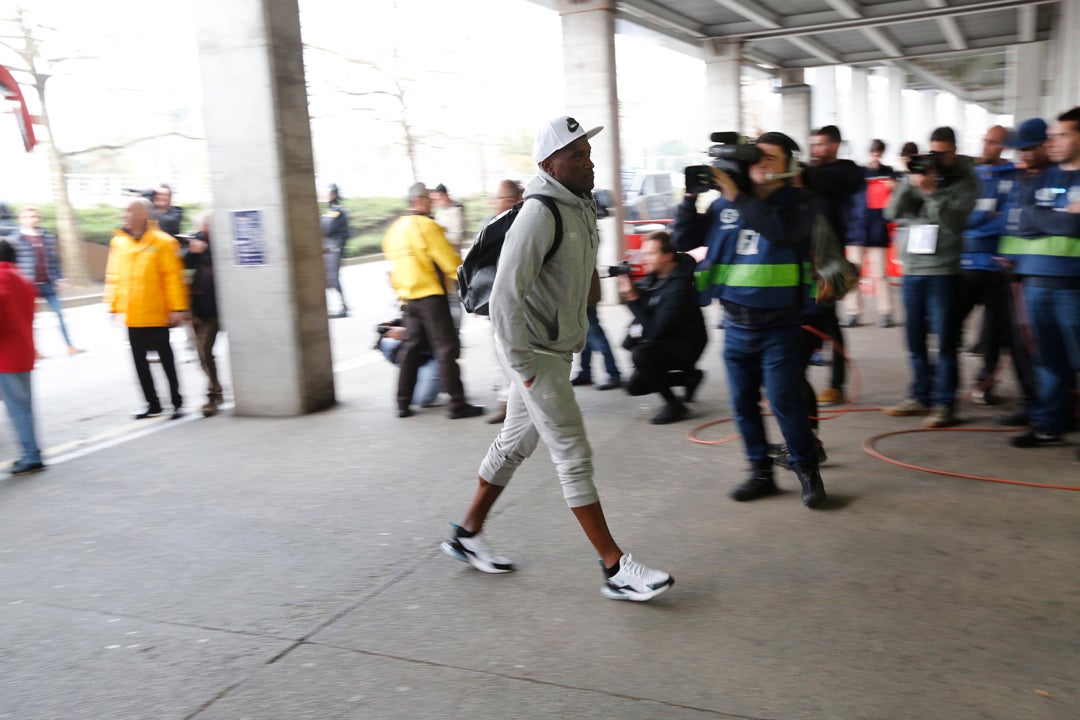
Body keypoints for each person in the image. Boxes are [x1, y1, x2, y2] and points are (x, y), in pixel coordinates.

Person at [441, 115, 673, 602]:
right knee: (573, 453)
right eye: (576, 156)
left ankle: (466, 534)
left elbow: (572, 268)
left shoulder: (578, 207)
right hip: (537, 356)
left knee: (513, 446)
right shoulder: (539, 213)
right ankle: (615, 568)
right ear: (549, 164)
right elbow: (505, 297)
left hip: (555, 350)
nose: (588, 163)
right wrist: (523, 368)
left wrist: (614, 270)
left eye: (588, 153)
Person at [673, 131, 828, 509]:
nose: (759, 164)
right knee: (742, 404)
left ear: (789, 165)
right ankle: (760, 472)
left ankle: (807, 469)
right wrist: (691, 197)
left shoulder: (802, 202)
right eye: (755, 158)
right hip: (736, 324)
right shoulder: (723, 205)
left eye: (769, 158)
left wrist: (738, 197)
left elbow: (782, 232)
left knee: (784, 401)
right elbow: (683, 237)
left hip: (781, 324)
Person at [883, 126, 978, 429]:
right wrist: (908, 183)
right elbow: (892, 213)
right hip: (913, 271)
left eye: (942, 153)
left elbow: (953, 222)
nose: (936, 158)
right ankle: (919, 395)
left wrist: (931, 191)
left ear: (954, 150)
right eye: (932, 152)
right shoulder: (920, 175)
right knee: (915, 339)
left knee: (946, 340)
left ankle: (944, 404)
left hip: (943, 271)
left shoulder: (966, 180)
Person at [1001, 108, 1080, 453]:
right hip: (1036, 281)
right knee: (1048, 360)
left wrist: (1044, 219)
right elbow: (1024, 221)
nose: (1053, 142)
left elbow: (1073, 227)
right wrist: (1057, 218)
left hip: (1074, 286)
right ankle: (1050, 424)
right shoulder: (1043, 178)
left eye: (1062, 135)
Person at [382, 182, 483, 420]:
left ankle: (402, 403)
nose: (431, 203)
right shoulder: (427, 226)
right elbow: (450, 263)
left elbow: (392, 269)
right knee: (446, 348)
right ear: (418, 201)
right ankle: (458, 404)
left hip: (408, 299)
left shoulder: (394, 230)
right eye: (428, 200)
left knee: (411, 348)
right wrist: (472, 287)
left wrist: (401, 291)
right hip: (431, 298)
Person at [104, 198, 189, 420]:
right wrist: (113, 306)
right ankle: (152, 404)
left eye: (128, 211)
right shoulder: (119, 243)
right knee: (140, 363)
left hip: (158, 313)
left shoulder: (164, 242)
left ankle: (177, 402)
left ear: (143, 214)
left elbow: (173, 278)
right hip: (133, 314)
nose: (124, 215)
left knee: (166, 361)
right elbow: (114, 276)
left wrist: (178, 308)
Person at [995, 118, 1051, 427]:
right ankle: (1032, 402)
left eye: (1030, 149)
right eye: (1020, 150)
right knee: (1018, 344)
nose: (1024, 155)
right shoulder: (1021, 180)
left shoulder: (1054, 179)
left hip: (1040, 273)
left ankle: (1051, 408)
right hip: (1014, 274)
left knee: (1040, 346)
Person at [803, 125, 864, 407]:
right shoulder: (811, 174)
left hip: (828, 259)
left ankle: (836, 385)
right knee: (806, 319)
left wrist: (805, 172)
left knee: (829, 322)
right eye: (813, 145)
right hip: (805, 255)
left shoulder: (844, 172)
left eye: (821, 145)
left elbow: (840, 180)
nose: (816, 150)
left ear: (836, 145)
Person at [617, 230, 706, 424]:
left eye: (650, 253)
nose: (644, 258)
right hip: (666, 339)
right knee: (634, 387)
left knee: (641, 355)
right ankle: (689, 378)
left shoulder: (680, 287)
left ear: (667, 256)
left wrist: (633, 299)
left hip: (687, 344)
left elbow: (654, 330)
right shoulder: (654, 278)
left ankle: (675, 405)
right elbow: (649, 315)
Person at [957, 125, 1017, 406]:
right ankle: (944, 384)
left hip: (996, 266)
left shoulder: (1014, 177)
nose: (986, 147)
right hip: (966, 263)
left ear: (1005, 145)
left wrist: (977, 221)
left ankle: (985, 383)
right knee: (948, 323)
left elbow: (1009, 219)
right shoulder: (971, 175)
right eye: (985, 141)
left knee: (994, 331)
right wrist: (984, 217)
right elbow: (960, 218)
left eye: (993, 143)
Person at [12, 206, 83, 356]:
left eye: (33, 216)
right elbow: (13, 263)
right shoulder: (15, 239)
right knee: (30, 319)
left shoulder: (47, 237)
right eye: (26, 216)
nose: (31, 219)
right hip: (28, 286)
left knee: (59, 314)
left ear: (38, 218)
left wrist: (59, 278)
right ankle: (34, 351)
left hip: (49, 283)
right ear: (20, 219)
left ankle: (70, 346)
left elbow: (54, 260)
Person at [0, 239, 45, 476]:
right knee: (23, 408)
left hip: (5, 356)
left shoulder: (1, 278)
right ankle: (32, 452)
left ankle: (31, 455)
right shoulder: (23, 280)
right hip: (22, 352)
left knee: (18, 409)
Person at [844, 139, 897, 328]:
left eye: (879, 153)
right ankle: (853, 312)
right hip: (855, 229)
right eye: (874, 153)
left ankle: (886, 312)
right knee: (852, 274)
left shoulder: (889, 174)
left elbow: (896, 198)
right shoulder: (858, 173)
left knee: (880, 273)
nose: (876, 157)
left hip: (877, 229)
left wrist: (893, 187)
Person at [484, 179, 523, 424]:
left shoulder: (521, 222)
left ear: (510, 200)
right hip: (498, 298)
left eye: (497, 198)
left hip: (515, 299)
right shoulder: (495, 223)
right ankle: (508, 402)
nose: (493, 202)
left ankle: (514, 404)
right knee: (500, 353)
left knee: (511, 353)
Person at [183, 212, 223, 417]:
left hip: (213, 310)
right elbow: (182, 262)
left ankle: (213, 394)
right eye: (203, 225)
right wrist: (193, 249)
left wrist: (206, 250)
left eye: (208, 226)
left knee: (204, 352)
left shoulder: (220, 245)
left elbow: (222, 263)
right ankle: (215, 388)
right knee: (201, 354)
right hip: (196, 309)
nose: (205, 229)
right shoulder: (197, 240)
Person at [570, 273, 623, 391]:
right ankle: (586, 373)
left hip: (584, 297)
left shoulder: (580, 255)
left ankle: (614, 374)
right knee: (586, 337)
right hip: (583, 296)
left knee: (597, 337)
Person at [375, 320, 443, 408]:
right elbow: (408, 318)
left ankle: (444, 379)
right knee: (387, 342)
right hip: (415, 345)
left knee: (421, 399)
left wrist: (406, 333)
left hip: (432, 351)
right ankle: (417, 373)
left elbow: (443, 337)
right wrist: (393, 325)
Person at [431, 183, 466, 329]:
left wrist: (439, 234)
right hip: (440, 262)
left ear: (444, 195)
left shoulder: (457, 210)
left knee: (454, 299)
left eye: (438, 198)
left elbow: (457, 238)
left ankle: (456, 330)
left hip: (452, 261)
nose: (436, 202)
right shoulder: (440, 212)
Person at [321, 184, 350, 318]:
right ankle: (341, 305)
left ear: (334, 194)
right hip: (328, 249)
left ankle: (343, 306)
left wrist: (339, 249)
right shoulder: (330, 211)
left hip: (334, 249)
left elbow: (330, 230)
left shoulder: (338, 211)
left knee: (332, 278)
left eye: (329, 192)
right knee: (328, 279)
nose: (327, 195)